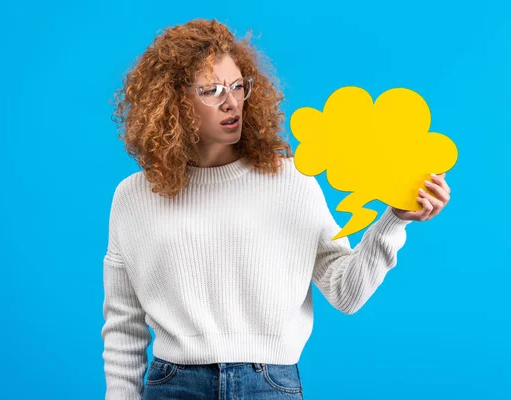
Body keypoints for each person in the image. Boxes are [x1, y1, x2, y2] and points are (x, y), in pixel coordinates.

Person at [101, 18, 451, 400]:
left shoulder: (291, 181)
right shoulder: (134, 196)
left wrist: (394, 221)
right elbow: (124, 325)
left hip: (269, 385)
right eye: (211, 90)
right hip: (175, 386)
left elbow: (346, 294)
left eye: (238, 86)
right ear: (172, 101)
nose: (231, 101)